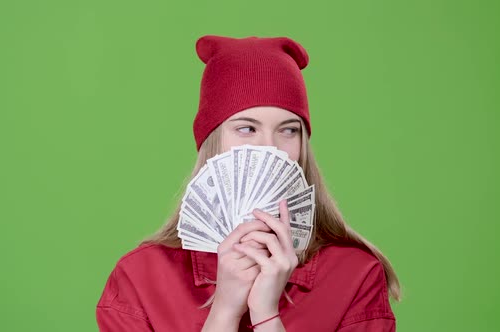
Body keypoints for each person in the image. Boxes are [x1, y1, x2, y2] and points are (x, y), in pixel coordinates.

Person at [96, 35, 400, 331]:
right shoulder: (140, 280)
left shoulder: (354, 277)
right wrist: (225, 313)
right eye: (246, 128)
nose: (269, 148)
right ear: (212, 142)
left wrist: (267, 317)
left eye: (289, 130)